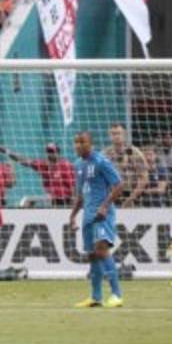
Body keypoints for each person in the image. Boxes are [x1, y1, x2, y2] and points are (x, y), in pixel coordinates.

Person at [69, 130, 124, 309]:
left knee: (102, 250)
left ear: (90, 143)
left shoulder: (101, 161)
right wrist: (72, 215)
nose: (78, 145)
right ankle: (96, 297)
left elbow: (119, 185)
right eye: (76, 142)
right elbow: (80, 194)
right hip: (87, 214)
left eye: (82, 142)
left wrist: (105, 206)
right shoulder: (78, 164)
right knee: (92, 255)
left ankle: (117, 295)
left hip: (102, 214)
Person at [0, 142, 75, 206]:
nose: (50, 154)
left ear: (58, 153)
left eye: (52, 152)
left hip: (66, 200)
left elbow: (73, 186)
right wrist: (6, 151)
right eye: (48, 151)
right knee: (27, 201)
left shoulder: (65, 166)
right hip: (52, 199)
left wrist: (73, 203)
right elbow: (23, 160)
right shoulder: (43, 165)